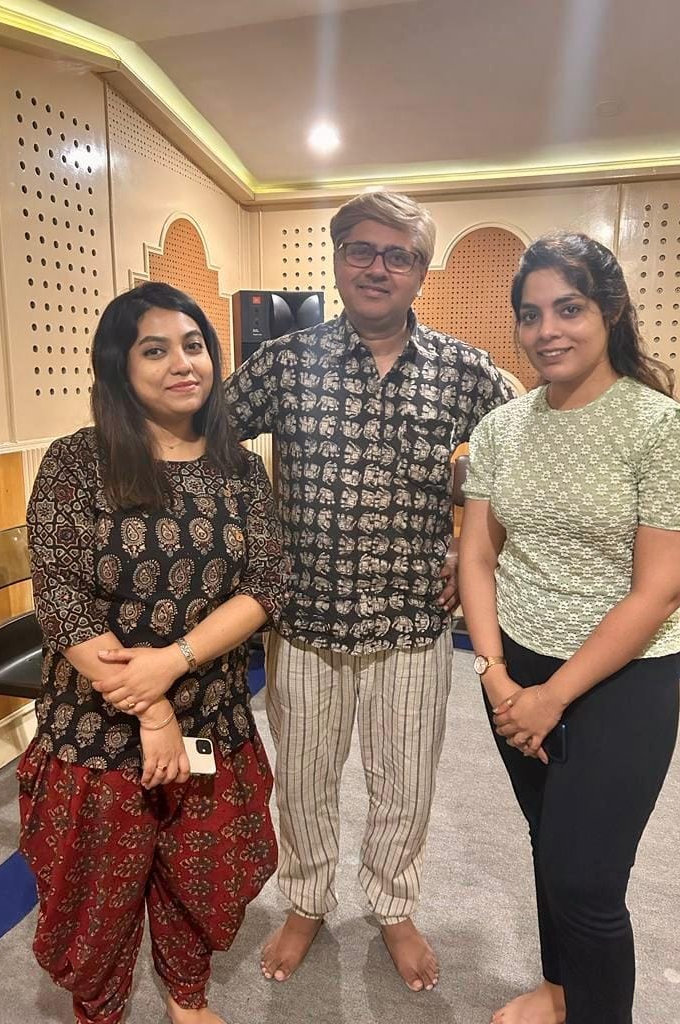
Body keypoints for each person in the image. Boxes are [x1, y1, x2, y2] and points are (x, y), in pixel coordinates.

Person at [225, 190, 512, 991]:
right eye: (362, 250)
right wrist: (249, 542)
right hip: (305, 620)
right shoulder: (285, 362)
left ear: (421, 271)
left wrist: (477, 545)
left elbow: (526, 457)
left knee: (405, 784)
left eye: (399, 256)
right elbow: (204, 441)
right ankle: (306, 901)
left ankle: (392, 905)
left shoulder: (463, 370)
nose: (378, 268)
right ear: (339, 257)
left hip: (414, 620)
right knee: (305, 779)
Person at [458, 233, 680, 1024]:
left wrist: (551, 696)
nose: (547, 331)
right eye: (530, 315)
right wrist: (495, 673)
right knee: (548, 841)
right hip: (514, 671)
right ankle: (559, 990)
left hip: (618, 681)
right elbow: (477, 556)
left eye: (568, 309)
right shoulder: (501, 427)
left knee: (588, 883)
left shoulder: (662, 427)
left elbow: (661, 590)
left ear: (610, 311)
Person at [19, 281, 286, 1024]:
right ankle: (100, 1008)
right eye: (155, 350)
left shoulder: (240, 468)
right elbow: (62, 598)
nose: (183, 364)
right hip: (97, 729)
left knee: (201, 879)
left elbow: (267, 584)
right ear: (120, 366)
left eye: (194, 346)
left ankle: (186, 997)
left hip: (213, 719)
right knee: (94, 897)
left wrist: (173, 662)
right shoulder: (78, 462)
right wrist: (153, 713)